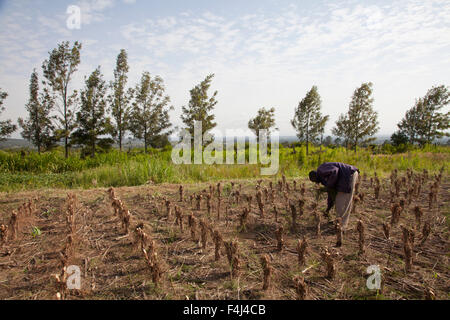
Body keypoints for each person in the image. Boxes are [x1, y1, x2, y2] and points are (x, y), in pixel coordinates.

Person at [309, 162, 360, 230]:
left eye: (314, 180)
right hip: (346, 177)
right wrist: (328, 209)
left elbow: (335, 171)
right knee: (339, 201)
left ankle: (341, 226)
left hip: (349, 174)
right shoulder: (325, 179)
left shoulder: (321, 170)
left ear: (315, 176)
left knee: (343, 202)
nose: (316, 183)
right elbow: (331, 195)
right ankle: (339, 222)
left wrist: (329, 186)